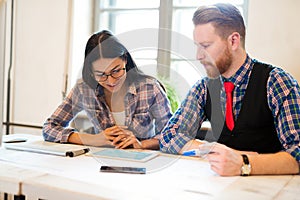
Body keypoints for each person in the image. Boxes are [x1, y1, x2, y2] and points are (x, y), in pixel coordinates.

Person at [159, 3, 300, 176]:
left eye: (206, 45)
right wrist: (212, 150)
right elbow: (169, 137)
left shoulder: (276, 82)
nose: (198, 55)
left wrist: (243, 162)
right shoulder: (204, 87)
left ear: (233, 41)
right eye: (197, 46)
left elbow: (298, 152)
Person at [43, 30, 172, 149]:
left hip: (141, 162)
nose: (111, 81)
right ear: (91, 72)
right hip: (99, 162)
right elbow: (49, 128)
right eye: (101, 74)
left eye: (116, 71)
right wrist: (92, 139)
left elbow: (171, 136)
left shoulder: (149, 89)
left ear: (125, 61)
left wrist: (141, 144)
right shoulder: (84, 89)